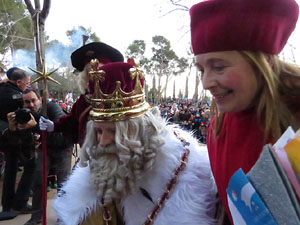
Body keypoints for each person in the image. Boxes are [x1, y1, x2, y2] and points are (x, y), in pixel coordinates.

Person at [51, 60, 217, 225]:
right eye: (99, 131)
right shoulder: (98, 166)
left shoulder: (187, 168)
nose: (102, 142)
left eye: (114, 132)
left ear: (142, 130)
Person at [189, 0, 300, 223]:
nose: (206, 82)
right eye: (201, 69)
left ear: (265, 62)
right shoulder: (217, 131)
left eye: (218, 67)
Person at [40, 42, 124, 147]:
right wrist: (54, 126)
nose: (94, 80)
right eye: (90, 75)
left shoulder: (124, 98)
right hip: (87, 156)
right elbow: (72, 122)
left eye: (99, 75)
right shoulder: (84, 100)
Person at [22, 88, 73, 225]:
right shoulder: (26, 114)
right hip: (46, 148)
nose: (31, 104)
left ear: (40, 99)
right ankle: (36, 217)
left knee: (63, 183)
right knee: (38, 181)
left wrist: (36, 127)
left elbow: (60, 128)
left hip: (63, 147)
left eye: (33, 100)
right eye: (27, 102)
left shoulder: (52, 107)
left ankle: (63, 217)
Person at [0, 67, 34, 215]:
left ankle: (8, 205)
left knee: (11, 169)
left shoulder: (2, 88)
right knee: (29, 166)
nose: (27, 86)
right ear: (19, 82)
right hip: (12, 137)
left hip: (4, 136)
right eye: (26, 83)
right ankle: (19, 203)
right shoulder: (16, 96)